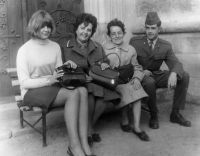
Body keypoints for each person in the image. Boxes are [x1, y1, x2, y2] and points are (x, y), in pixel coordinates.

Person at [16, 10, 95, 156]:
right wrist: (48, 80)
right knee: (72, 94)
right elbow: (25, 82)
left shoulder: (54, 46)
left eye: (48, 26)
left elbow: (59, 73)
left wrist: (67, 66)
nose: (46, 30)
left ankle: (84, 143)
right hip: (32, 92)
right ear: (35, 27)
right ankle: (74, 146)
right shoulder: (24, 51)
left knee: (82, 90)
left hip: (52, 87)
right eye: (42, 26)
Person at [62, 13, 120, 146]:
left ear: (92, 32)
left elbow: (105, 63)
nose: (85, 32)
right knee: (90, 91)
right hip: (76, 82)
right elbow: (65, 69)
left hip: (97, 81)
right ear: (76, 29)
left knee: (106, 94)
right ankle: (88, 130)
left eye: (89, 30)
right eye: (82, 28)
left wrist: (105, 65)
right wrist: (83, 77)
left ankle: (88, 127)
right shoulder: (66, 47)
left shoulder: (97, 46)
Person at [129, 12, 191, 129]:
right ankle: (153, 114)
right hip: (142, 75)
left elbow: (176, 63)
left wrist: (173, 73)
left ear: (159, 29)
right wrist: (140, 71)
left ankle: (175, 113)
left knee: (184, 75)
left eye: (153, 28)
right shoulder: (135, 42)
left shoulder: (165, 45)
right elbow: (128, 61)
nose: (150, 31)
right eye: (147, 28)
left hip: (156, 74)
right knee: (150, 82)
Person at [103, 18, 149, 141]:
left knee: (136, 90)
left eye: (119, 33)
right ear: (109, 36)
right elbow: (99, 67)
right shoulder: (103, 50)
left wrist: (137, 79)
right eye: (113, 34)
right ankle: (124, 120)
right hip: (113, 83)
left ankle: (137, 127)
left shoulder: (131, 49)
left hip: (128, 80)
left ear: (123, 33)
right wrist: (105, 67)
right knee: (124, 91)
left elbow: (137, 67)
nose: (117, 36)